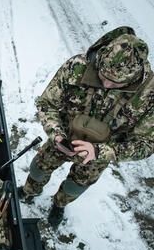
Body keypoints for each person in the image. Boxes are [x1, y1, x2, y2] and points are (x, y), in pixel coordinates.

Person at [18, 26, 154, 228]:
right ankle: (30, 190)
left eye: (116, 84)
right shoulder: (77, 67)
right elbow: (47, 104)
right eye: (103, 77)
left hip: (98, 156)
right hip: (62, 138)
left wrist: (102, 151)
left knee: (75, 187)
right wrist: (56, 134)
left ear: (133, 78)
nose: (106, 85)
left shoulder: (148, 96)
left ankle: (59, 204)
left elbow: (146, 144)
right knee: (38, 169)